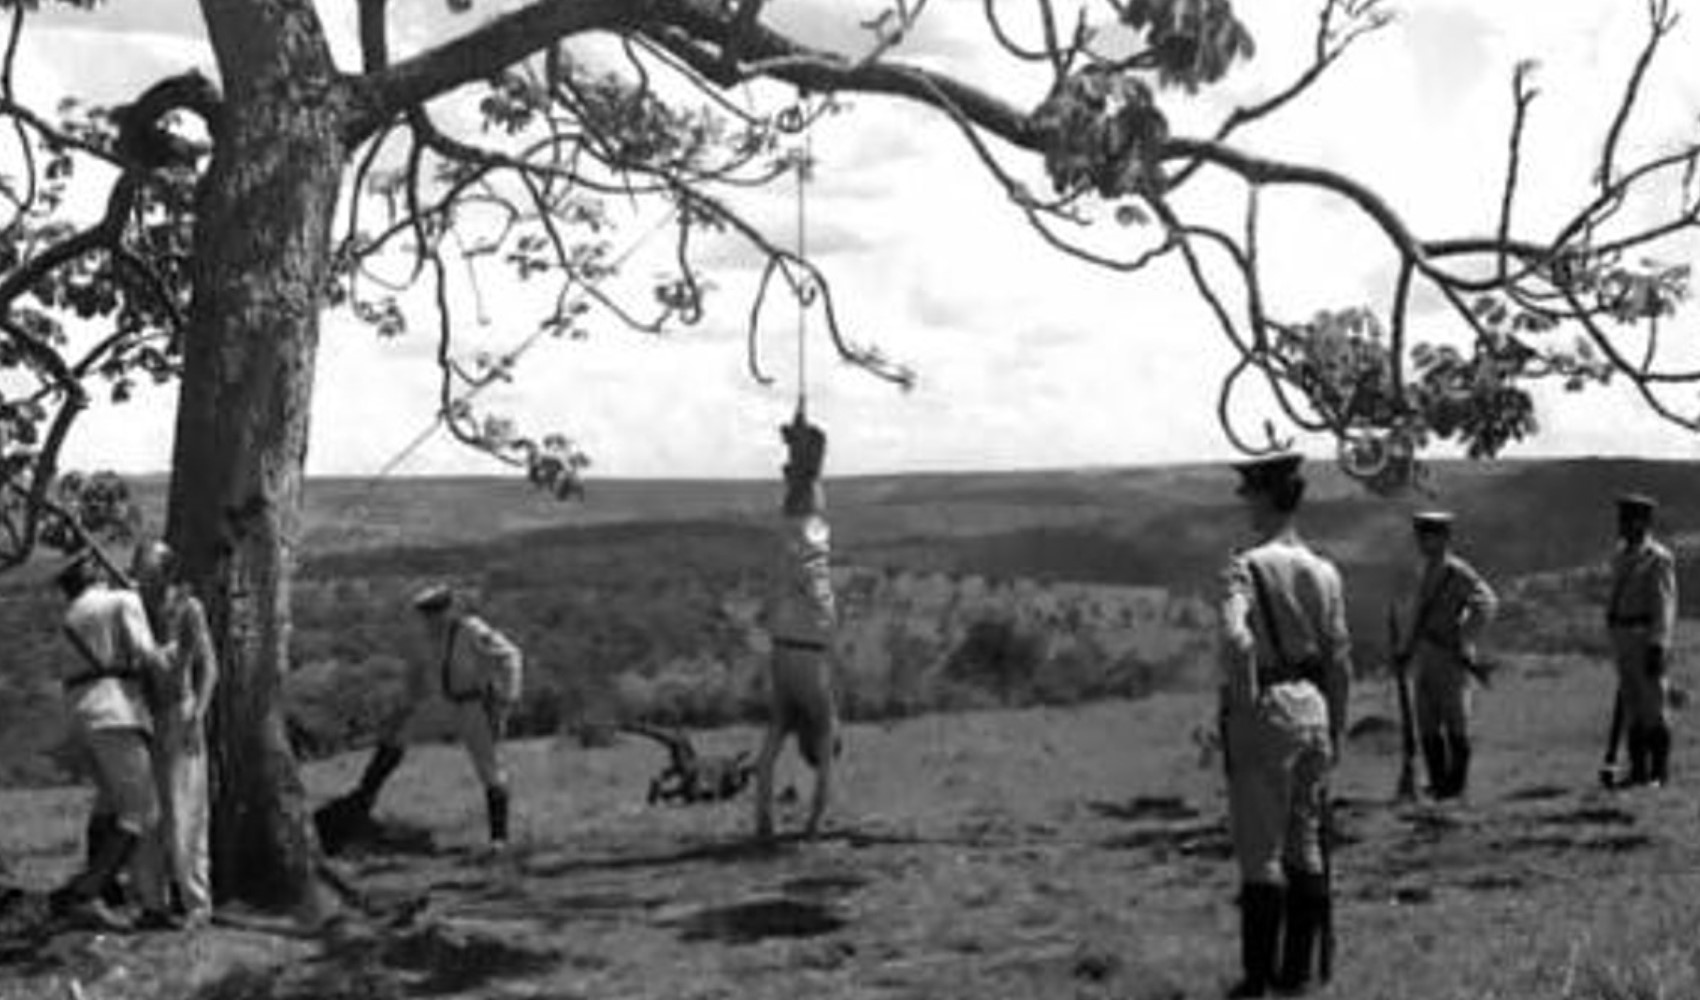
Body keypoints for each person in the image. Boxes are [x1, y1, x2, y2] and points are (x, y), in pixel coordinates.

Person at [1217, 452, 1350, 998]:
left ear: (1268, 496)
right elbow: (1339, 659)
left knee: (1260, 851)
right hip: (1314, 708)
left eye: (1250, 492)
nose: (1244, 501)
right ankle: (1297, 976)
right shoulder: (1324, 569)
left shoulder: (1243, 567)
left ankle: (1256, 981)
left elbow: (1236, 637)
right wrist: (1336, 729)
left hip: (1268, 707)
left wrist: (1245, 701)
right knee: (1305, 843)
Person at [332, 585, 524, 849]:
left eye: (435, 612)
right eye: (426, 613)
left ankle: (498, 840)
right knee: (396, 738)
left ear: (448, 609)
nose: (430, 618)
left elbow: (511, 656)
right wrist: (405, 708)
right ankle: (362, 799)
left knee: (489, 769)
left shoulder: (471, 629)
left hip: (474, 705)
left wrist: (507, 701)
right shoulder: (427, 638)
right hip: (443, 703)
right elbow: (417, 675)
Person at [51, 551, 178, 930]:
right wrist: (175, 649)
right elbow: (147, 656)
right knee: (142, 810)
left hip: (79, 714)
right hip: (115, 711)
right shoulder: (123, 600)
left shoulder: (71, 615)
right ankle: (86, 894)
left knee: (109, 803)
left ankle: (107, 891)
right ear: (94, 574)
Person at [753, 407, 839, 841]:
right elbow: (771, 755)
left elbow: (769, 757)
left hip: (803, 636)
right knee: (799, 526)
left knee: (808, 527)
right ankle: (801, 448)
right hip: (790, 637)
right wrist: (811, 826)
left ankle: (804, 447)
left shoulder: (817, 713)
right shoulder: (807, 714)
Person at [132, 540, 219, 927]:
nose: (143, 581)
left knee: (187, 812)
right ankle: (153, 903)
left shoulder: (188, 608)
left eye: (150, 574)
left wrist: (196, 715)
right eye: (140, 573)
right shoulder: (133, 609)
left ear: (167, 574)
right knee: (147, 817)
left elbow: (209, 669)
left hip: (179, 714)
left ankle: (197, 904)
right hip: (143, 718)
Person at [1391, 512, 1498, 801]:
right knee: (1426, 721)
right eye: (1421, 535)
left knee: (1455, 722)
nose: (1423, 541)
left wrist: (1464, 637)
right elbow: (1418, 617)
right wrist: (1406, 650)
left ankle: (1455, 787)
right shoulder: (1424, 569)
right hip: (1425, 655)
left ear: (1443, 537)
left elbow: (1486, 603)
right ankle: (1438, 785)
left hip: (1450, 657)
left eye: (1429, 535)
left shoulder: (1457, 571)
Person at [1605, 493, 1678, 787]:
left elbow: (1665, 605)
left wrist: (1658, 644)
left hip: (1645, 636)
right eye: (1622, 518)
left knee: (1653, 708)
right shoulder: (1620, 554)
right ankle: (1638, 771)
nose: (1622, 524)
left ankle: (1659, 773)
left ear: (1643, 522)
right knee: (1632, 707)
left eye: (1628, 518)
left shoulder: (1657, 558)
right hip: (1623, 636)